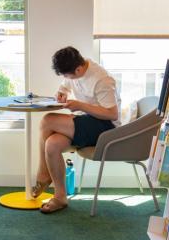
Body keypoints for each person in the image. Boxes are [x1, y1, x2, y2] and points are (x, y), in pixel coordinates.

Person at [33, 46, 120, 214]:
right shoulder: (74, 70)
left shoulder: (102, 79)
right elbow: (65, 85)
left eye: (67, 75)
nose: (66, 78)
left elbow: (112, 114)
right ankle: (60, 197)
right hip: (87, 121)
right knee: (52, 144)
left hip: (106, 128)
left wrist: (80, 105)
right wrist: (61, 93)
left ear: (79, 69)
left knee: (47, 120)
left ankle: (43, 174)